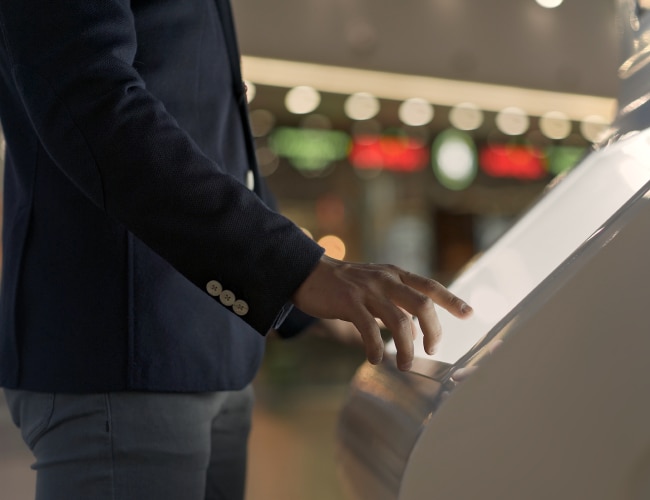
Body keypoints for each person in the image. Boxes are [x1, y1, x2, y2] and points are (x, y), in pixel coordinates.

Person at [0, 1, 472, 499]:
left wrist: (305, 298)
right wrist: (296, 270)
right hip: (121, 350)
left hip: (215, 356)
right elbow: (86, 96)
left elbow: (216, 147)